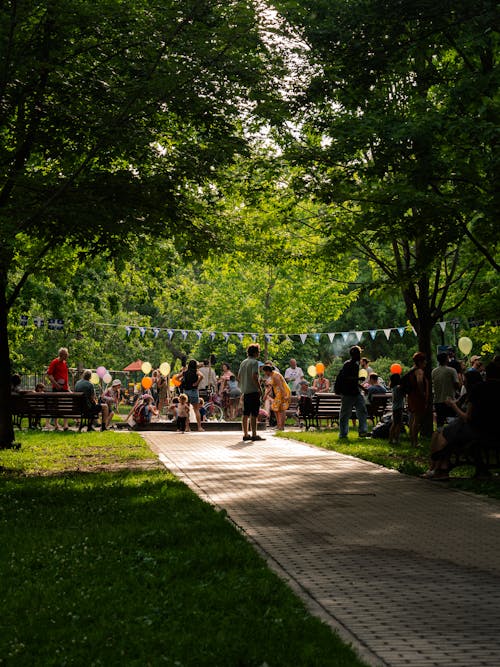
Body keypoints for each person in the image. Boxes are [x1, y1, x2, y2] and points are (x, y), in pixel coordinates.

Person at [422, 363, 499, 479]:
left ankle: (439, 469)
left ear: (487, 374)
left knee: (443, 433)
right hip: (494, 430)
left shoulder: (479, 389)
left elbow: (468, 417)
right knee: (444, 432)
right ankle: (437, 468)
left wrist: (453, 406)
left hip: (475, 429)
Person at [335, 345, 369, 440]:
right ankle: (343, 434)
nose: (359, 356)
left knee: (362, 411)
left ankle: (362, 432)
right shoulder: (348, 364)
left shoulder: (356, 365)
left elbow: (354, 381)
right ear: (355, 354)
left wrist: (363, 388)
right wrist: (358, 379)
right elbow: (345, 378)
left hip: (356, 392)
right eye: (358, 354)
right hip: (347, 393)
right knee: (345, 414)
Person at [237, 344, 265, 442]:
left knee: (245, 413)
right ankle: (254, 434)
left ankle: (245, 434)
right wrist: (259, 388)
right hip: (253, 391)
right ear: (255, 352)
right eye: (258, 351)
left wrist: (243, 386)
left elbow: (239, 376)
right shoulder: (254, 363)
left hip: (245, 391)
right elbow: (254, 376)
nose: (259, 353)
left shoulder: (243, 362)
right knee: (254, 413)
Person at [406, 352, 430, 447]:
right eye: (424, 361)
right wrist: (423, 392)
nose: (426, 362)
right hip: (417, 397)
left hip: (412, 396)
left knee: (412, 419)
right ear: (420, 362)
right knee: (417, 420)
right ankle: (415, 442)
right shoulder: (419, 371)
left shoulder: (412, 370)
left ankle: (412, 441)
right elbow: (419, 381)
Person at [432, 352, 460, 428]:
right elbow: (456, 384)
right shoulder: (452, 370)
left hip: (438, 400)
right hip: (450, 400)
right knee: (452, 422)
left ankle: (439, 436)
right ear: (446, 359)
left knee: (440, 423)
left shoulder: (434, 371)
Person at [46, 347, 70, 430]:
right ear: (61, 354)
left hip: (65, 387)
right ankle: (56, 425)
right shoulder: (54, 362)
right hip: (57, 388)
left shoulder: (64, 363)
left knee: (66, 405)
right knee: (56, 406)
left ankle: (65, 425)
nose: (67, 356)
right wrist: (56, 384)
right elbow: (49, 374)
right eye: (66, 354)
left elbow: (66, 376)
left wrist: (68, 388)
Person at [261, 364, 291, 431]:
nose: (265, 373)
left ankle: (281, 427)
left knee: (281, 409)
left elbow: (281, 386)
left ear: (268, 371)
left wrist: (285, 395)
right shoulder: (272, 375)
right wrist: (265, 395)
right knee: (275, 408)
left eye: (265, 372)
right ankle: (278, 426)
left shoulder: (275, 376)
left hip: (283, 392)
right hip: (279, 393)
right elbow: (270, 387)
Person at [180, 359, 204, 431]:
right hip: (193, 391)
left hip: (186, 392)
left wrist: (181, 382)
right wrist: (197, 383)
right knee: (196, 409)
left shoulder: (185, 372)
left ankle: (187, 427)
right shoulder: (196, 371)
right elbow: (202, 376)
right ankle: (199, 427)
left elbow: (177, 377)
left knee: (187, 410)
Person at [389, 373, 404, 445]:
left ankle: (391, 439)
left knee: (395, 423)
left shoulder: (394, 387)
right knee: (397, 424)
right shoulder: (398, 387)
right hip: (398, 408)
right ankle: (396, 439)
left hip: (395, 407)